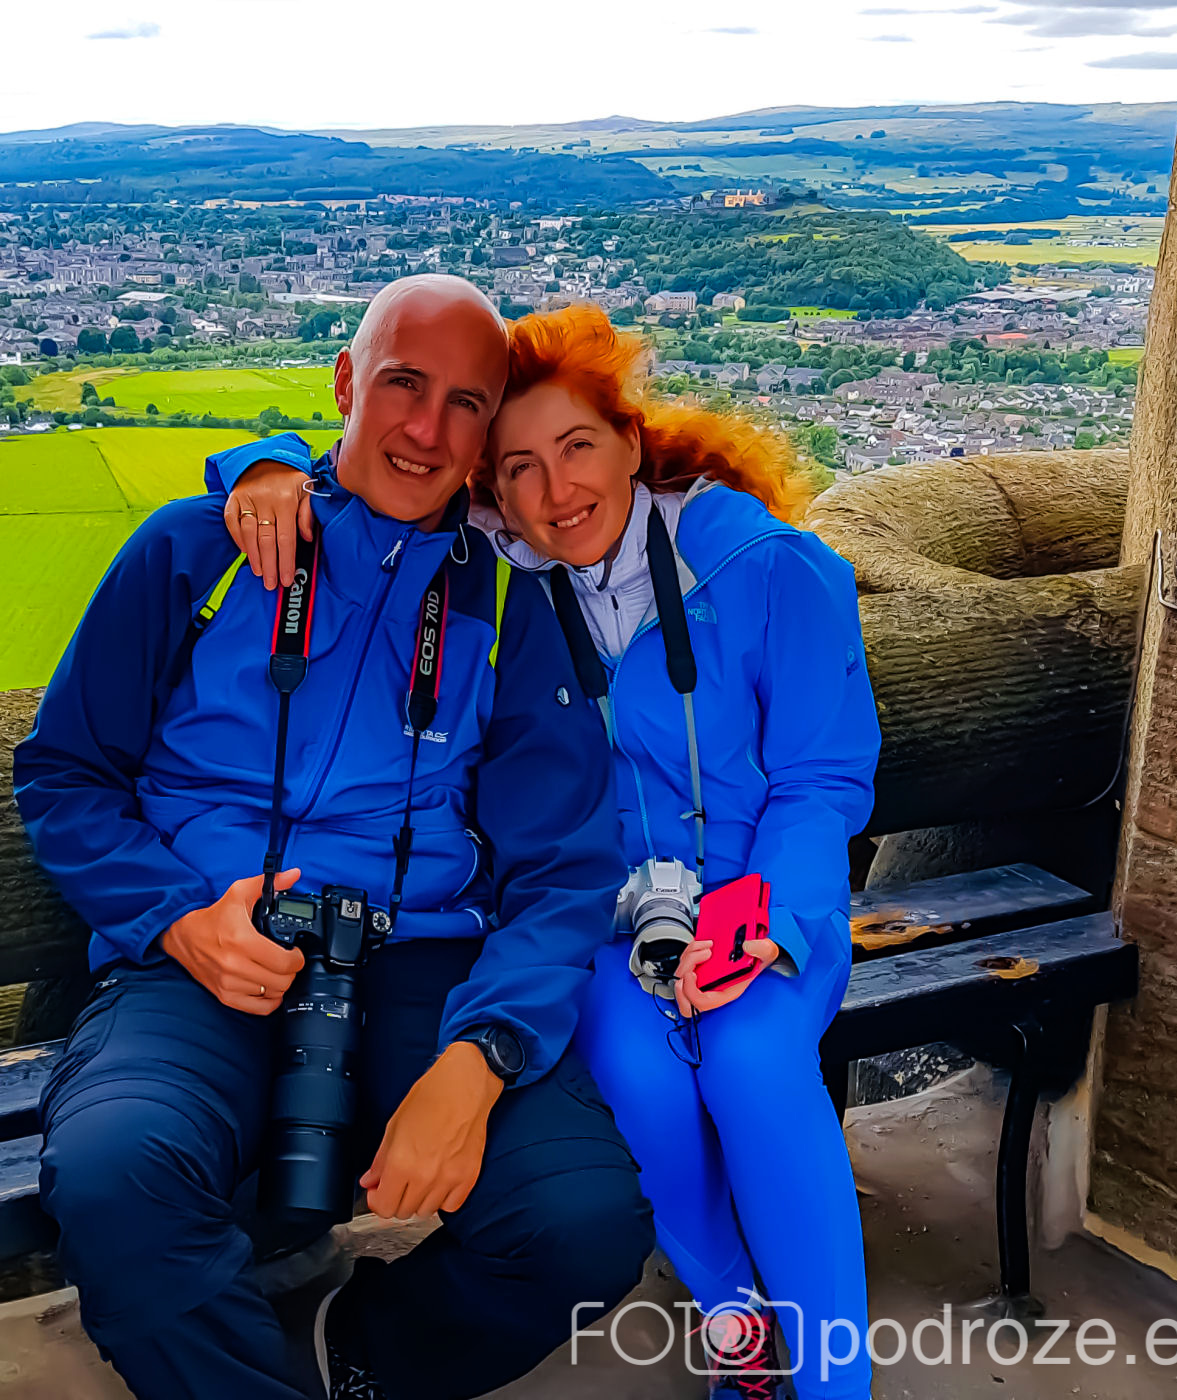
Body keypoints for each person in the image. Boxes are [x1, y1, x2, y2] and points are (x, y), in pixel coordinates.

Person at [216, 303, 880, 1400]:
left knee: (754, 1063)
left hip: (767, 909)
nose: (555, 490)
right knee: (636, 1077)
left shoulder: (767, 568)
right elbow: (368, 474)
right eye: (517, 467)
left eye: (577, 447)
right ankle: (738, 1324)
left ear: (632, 440)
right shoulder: (505, 574)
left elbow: (820, 782)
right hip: (601, 924)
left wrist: (765, 920)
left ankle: (836, 1384)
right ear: (493, 486)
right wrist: (263, 464)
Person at [14, 277, 654, 1400]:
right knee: (118, 1180)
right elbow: (66, 774)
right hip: (204, 953)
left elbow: (562, 867)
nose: (427, 429)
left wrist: (483, 1056)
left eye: (466, 404)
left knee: (583, 1222)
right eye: (404, 384)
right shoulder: (197, 554)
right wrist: (176, 918)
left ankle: (359, 1354)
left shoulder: (506, 607)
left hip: (419, 961)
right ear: (347, 381)